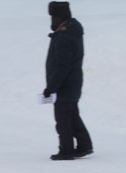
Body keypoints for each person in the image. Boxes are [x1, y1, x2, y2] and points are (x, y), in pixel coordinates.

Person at [43, 2, 93, 161]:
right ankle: (85, 146)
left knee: (63, 118)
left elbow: (62, 66)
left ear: (59, 17)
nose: (51, 21)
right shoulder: (71, 33)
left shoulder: (64, 37)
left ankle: (66, 151)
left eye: (53, 17)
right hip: (72, 83)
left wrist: (51, 87)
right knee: (72, 115)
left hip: (64, 85)